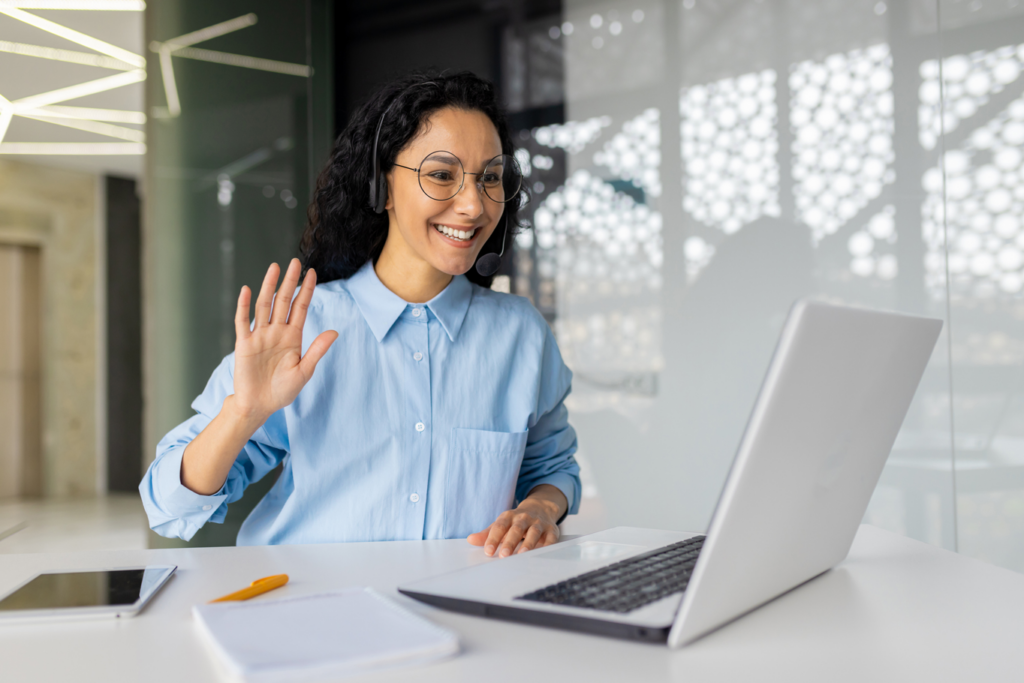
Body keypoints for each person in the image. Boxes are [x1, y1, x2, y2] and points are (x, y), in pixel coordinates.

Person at [140, 71, 580, 558]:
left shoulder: (520, 335)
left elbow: (551, 470)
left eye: (489, 178)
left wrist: (540, 509)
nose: (473, 205)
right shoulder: (301, 329)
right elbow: (168, 507)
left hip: (462, 613)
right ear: (382, 185)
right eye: (441, 175)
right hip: (311, 612)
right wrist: (244, 412)